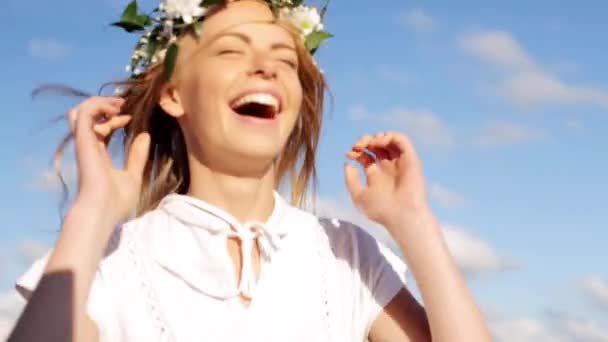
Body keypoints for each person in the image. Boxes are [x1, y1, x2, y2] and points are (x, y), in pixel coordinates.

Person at [9, 0, 491, 341]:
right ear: (174, 95)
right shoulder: (102, 261)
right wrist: (91, 215)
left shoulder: (347, 254)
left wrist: (414, 222)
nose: (266, 68)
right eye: (231, 51)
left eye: (285, 60)